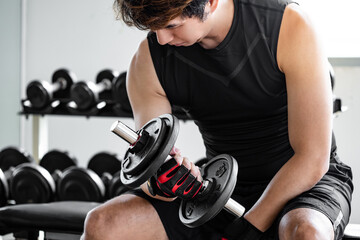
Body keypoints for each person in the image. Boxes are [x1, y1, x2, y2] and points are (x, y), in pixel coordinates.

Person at [82, 0, 353, 239]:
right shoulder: (149, 60)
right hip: (218, 188)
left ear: (210, 2)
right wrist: (164, 181)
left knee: (306, 232)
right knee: (103, 224)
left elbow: (312, 158)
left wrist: (251, 225)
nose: (162, 38)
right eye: (154, 28)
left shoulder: (288, 25)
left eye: (172, 25)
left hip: (306, 184)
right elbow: (151, 166)